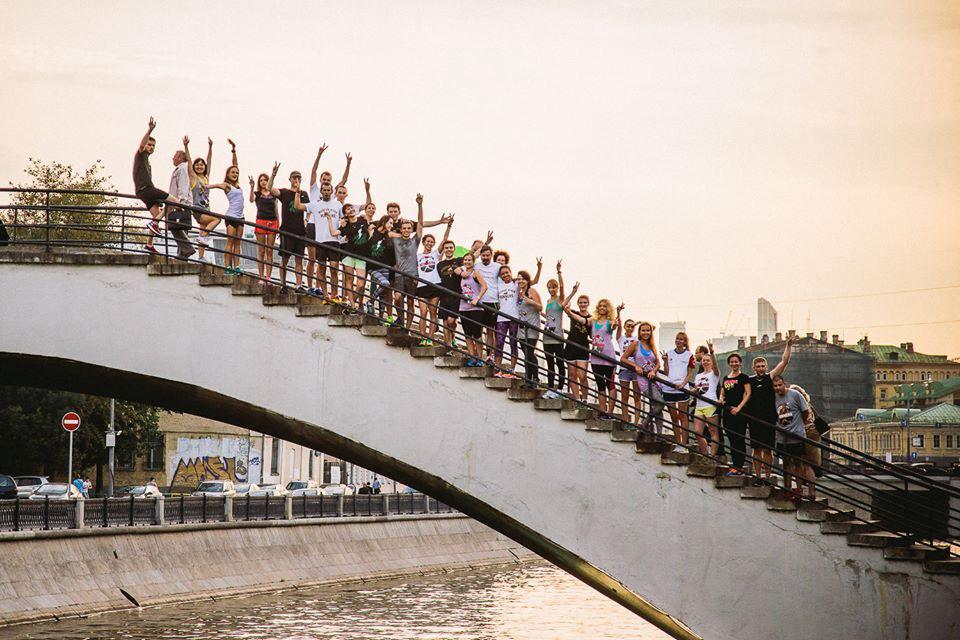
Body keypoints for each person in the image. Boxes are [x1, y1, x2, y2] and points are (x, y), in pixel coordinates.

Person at [745, 337, 793, 486]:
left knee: (767, 450)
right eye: (758, 366)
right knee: (756, 450)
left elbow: (783, 362)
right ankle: (758, 476)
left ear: (766, 366)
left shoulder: (769, 377)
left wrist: (788, 345)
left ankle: (767, 477)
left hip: (769, 419)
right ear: (754, 368)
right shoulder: (749, 380)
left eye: (762, 365)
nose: (760, 368)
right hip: (754, 419)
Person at [571, 298, 620, 418]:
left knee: (610, 384)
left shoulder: (610, 321)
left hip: (608, 357)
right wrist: (568, 312)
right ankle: (603, 411)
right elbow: (582, 320)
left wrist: (619, 314)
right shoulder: (593, 320)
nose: (602, 308)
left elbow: (615, 325)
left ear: (608, 309)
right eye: (600, 306)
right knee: (600, 385)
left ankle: (610, 412)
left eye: (605, 306)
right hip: (596, 357)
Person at [204, 139, 244, 274]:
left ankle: (237, 267)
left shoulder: (238, 185)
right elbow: (216, 185)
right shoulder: (227, 185)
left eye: (236, 173)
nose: (235, 174)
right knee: (230, 243)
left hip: (241, 217)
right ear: (228, 174)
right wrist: (206, 186)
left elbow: (236, 164)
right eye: (232, 172)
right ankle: (228, 267)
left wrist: (234, 149)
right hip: (231, 216)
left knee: (238, 244)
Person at [773, 375, 812, 501]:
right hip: (782, 436)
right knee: (786, 463)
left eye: (780, 385)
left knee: (798, 463)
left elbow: (805, 411)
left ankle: (799, 489)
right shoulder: (773, 397)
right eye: (775, 386)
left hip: (797, 435)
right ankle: (788, 489)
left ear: (785, 384)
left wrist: (800, 424)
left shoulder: (795, 395)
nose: (778, 388)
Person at [182, 136, 220, 263]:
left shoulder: (206, 178)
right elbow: (188, 160)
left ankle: (201, 257)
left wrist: (210, 147)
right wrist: (186, 146)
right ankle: (202, 238)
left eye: (201, 165)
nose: (199, 166)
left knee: (203, 231)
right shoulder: (193, 178)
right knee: (217, 219)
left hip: (206, 208)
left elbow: (210, 161)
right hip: (198, 209)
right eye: (197, 165)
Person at [620, 322, 663, 434]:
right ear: (639, 332)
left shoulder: (652, 345)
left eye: (648, 330)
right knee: (660, 403)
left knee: (657, 406)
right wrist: (635, 366)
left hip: (654, 379)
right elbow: (623, 359)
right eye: (643, 330)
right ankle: (645, 423)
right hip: (643, 380)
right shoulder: (635, 344)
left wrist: (654, 371)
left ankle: (659, 434)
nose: (646, 332)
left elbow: (658, 363)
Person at [132, 117, 168, 254]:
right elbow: (141, 145)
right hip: (146, 189)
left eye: (153, 146)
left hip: (145, 190)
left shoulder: (147, 161)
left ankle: (149, 244)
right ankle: (154, 223)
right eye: (149, 145)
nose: (151, 147)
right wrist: (150, 129)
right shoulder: (140, 155)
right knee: (175, 202)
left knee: (157, 214)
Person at [339, 178, 374, 310]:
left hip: (361, 255)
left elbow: (368, 205)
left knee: (360, 283)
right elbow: (337, 232)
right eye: (347, 210)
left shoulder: (362, 218)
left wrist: (367, 190)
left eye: (351, 208)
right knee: (348, 279)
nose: (350, 210)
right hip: (348, 252)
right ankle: (353, 305)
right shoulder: (345, 223)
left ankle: (351, 301)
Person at [660, 332, 695, 452]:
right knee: (674, 417)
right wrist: (664, 361)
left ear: (685, 342)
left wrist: (683, 384)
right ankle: (678, 442)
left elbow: (690, 373)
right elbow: (666, 372)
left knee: (683, 416)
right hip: (669, 388)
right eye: (677, 339)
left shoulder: (689, 355)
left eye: (681, 339)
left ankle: (684, 444)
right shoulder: (669, 353)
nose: (679, 341)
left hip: (682, 389)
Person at [275, 171, 308, 293]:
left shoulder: (303, 193)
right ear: (290, 179)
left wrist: (306, 220)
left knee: (299, 260)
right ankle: (283, 284)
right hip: (287, 230)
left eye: (299, 177)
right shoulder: (284, 192)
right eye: (294, 177)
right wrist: (273, 175)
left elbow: (309, 207)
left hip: (300, 231)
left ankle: (298, 285)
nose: (296, 179)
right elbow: (270, 189)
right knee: (284, 259)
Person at [719, 353, 752, 476]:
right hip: (727, 412)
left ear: (740, 363)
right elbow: (722, 393)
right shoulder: (726, 378)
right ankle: (734, 466)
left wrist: (739, 408)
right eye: (732, 362)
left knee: (739, 438)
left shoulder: (744, 377)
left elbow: (748, 394)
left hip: (739, 412)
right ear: (729, 364)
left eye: (736, 361)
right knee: (731, 439)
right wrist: (721, 399)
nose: (734, 364)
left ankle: (739, 466)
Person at [455, 252, 489, 366]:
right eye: (465, 260)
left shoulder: (475, 273)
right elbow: (455, 270)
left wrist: (477, 298)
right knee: (468, 334)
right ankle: (472, 357)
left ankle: (480, 358)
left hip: (476, 308)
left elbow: (484, 286)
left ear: (473, 262)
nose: (467, 262)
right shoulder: (462, 273)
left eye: (469, 260)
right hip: (464, 307)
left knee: (477, 334)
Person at [249, 163, 281, 284]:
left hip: (272, 222)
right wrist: (252, 187)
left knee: (269, 251)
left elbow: (277, 209)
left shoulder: (273, 194)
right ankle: (261, 276)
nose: (263, 182)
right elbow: (251, 200)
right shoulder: (257, 194)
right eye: (261, 180)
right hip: (260, 221)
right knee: (261, 251)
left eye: (265, 180)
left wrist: (278, 224)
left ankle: (268, 276)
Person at [541, 261, 566, 400]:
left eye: (554, 287)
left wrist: (559, 272)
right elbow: (550, 317)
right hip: (547, 335)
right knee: (549, 362)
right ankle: (550, 388)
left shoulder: (559, 299)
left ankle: (560, 388)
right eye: (550, 287)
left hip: (557, 335)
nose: (552, 289)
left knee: (559, 363)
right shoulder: (548, 301)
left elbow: (563, 287)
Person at [165, 145, 196, 259]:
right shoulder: (181, 169)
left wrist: (180, 203)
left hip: (180, 204)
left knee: (176, 227)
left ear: (179, 157)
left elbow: (182, 187)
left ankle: (188, 250)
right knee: (179, 228)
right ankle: (183, 256)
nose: (172, 158)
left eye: (174, 156)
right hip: (179, 203)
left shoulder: (182, 169)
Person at [562, 286, 591, 403]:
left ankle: (585, 399)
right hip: (570, 346)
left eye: (585, 302)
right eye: (580, 302)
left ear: (588, 304)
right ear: (578, 304)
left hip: (583, 348)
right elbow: (563, 305)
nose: (582, 304)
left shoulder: (591, 318)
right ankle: (577, 399)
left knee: (582, 375)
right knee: (572, 375)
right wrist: (573, 292)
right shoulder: (573, 313)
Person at [691, 342, 721, 456]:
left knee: (713, 431)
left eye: (708, 360)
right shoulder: (699, 375)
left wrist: (711, 352)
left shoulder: (714, 374)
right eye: (704, 360)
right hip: (699, 405)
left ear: (711, 362)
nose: (706, 362)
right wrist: (694, 390)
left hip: (710, 405)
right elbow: (695, 389)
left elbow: (717, 367)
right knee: (697, 431)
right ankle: (705, 452)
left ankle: (712, 456)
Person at [473, 245, 502, 363]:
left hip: (493, 301)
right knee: (478, 330)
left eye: (487, 255)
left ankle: (490, 355)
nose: (485, 258)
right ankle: (478, 355)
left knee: (490, 331)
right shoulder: (476, 265)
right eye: (483, 255)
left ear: (492, 255)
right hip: (479, 301)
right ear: (480, 255)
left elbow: (505, 281)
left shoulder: (498, 267)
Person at [366, 216, 397, 322]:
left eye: (393, 224)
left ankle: (381, 317)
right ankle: (370, 302)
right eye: (390, 223)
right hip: (372, 266)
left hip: (385, 266)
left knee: (384, 293)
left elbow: (402, 236)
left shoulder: (388, 235)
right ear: (384, 222)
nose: (392, 226)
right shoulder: (372, 230)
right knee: (385, 284)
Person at [516, 270, 542, 388]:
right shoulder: (519, 292)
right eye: (519, 279)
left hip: (532, 326)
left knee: (530, 352)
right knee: (525, 353)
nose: (520, 281)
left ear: (527, 280)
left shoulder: (532, 291)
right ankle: (528, 379)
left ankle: (535, 378)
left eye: (522, 279)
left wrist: (530, 301)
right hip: (522, 326)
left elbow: (540, 307)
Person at [494, 264, 521, 376]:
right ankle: (498, 369)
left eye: (507, 272)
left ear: (511, 272)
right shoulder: (498, 285)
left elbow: (532, 282)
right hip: (501, 318)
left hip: (514, 317)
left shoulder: (516, 284)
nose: (505, 275)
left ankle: (511, 369)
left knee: (513, 343)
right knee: (499, 343)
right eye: (503, 273)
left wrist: (539, 268)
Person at [436, 239, 464, 346]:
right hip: (444, 295)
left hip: (456, 295)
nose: (448, 250)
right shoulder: (440, 265)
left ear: (454, 249)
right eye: (446, 248)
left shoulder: (459, 260)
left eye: (450, 247)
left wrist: (485, 244)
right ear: (443, 249)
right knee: (444, 321)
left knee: (451, 321)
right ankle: (448, 344)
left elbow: (473, 256)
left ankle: (453, 336)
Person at [616, 316, 640, 423]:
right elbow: (618, 327)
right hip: (624, 368)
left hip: (636, 368)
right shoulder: (621, 338)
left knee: (636, 396)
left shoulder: (637, 339)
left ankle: (636, 422)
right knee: (624, 396)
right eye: (628, 326)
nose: (630, 328)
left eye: (632, 326)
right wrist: (618, 313)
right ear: (625, 327)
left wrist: (638, 323)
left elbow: (651, 328)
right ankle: (625, 420)